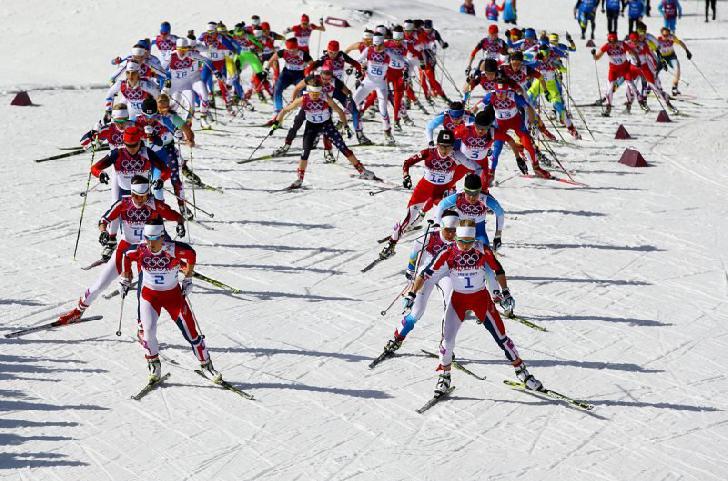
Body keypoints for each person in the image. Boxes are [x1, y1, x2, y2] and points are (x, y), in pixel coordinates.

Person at [404, 220, 542, 396]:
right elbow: (425, 274)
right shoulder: (447, 251)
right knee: (447, 342)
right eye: (462, 242)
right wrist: (412, 294)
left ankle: (523, 373)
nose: (466, 246)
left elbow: (498, 269)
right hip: (458, 301)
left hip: (480, 299)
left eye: (469, 242)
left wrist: (505, 292)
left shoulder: (481, 248)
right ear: (456, 238)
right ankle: (445, 377)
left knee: (501, 337)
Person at [56, 175, 184, 325]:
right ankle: (78, 311)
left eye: (143, 196)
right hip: (126, 248)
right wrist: (104, 232)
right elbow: (103, 221)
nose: (139, 200)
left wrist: (180, 225)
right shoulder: (123, 203)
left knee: (142, 293)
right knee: (101, 284)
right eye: (136, 196)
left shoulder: (155, 204)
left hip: (146, 252)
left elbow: (177, 216)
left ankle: (141, 327)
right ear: (131, 193)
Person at [121, 218, 221, 383]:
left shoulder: (173, 249)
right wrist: (126, 278)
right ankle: (154, 366)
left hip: (173, 297)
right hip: (150, 297)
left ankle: (207, 366)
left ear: (162, 237)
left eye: (154, 240)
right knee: (148, 332)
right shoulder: (140, 250)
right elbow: (126, 255)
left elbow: (191, 254)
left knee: (191, 333)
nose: (150, 244)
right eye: (147, 239)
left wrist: (188, 279)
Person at [378, 129, 482, 259]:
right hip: (424, 188)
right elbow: (407, 162)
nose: (445, 150)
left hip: (442, 192)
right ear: (437, 145)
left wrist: (472, 183)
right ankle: (391, 245)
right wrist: (406, 176)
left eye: (448, 147)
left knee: (449, 221)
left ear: (452, 146)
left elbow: (477, 168)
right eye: (442, 146)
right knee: (407, 217)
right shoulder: (428, 152)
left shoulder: (457, 156)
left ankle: (453, 249)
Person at [272, 78, 376, 189]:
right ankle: (299, 179)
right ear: (309, 91)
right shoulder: (303, 99)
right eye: (313, 93)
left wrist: (345, 126)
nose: (316, 96)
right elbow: (285, 110)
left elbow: (340, 111)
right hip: (311, 127)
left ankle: (362, 171)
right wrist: (277, 122)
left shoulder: (325, 97)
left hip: (327, 125)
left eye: (318, 93)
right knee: (305, 152)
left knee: (343, 147)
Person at [380, 210, 459, 355]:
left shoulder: (459, 240)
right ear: (442, 227)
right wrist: (411, 269)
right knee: (417, 312)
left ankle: (445, 345)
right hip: (425, 275)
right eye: (448, 230)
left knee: (451, 307)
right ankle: (397, 338)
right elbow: (414, 250)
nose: (451, 234)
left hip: (445, 275)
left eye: (455, 231)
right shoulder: (431, 236)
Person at [90, 126, 171, 259]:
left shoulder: (147, 152)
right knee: (116, 212)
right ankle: (111, 241)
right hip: (125, 191)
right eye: (128, 145)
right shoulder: (117, 153)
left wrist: (161, 179)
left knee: (153, 218)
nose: (131, 148)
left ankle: (162, 247)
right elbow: (94, 168)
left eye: (134, 145)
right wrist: (100, 173)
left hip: (144, 193)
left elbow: (165, 170)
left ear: (139, 142)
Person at [352, 33, 395, 145]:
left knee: (383, 109)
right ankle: (343, 124)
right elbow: (358, 60)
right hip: (368, 82)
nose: (376, 48)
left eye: (379, 45)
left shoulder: (388, 52)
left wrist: (405, 71)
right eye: (374, 45)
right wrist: (358, 67)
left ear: (383, 44)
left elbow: (400, 60)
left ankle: (387, 132)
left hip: (381, 84)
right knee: (352, 102)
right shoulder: (369, 50)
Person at [592, 32, 640, 116]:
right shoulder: (606, 46)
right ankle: (608, 108)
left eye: (614, 42)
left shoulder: (622, 44)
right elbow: (597, 58)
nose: (613, 44)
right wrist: (593, 54)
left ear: (617, 40)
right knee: (610, 88)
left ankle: (634, 104)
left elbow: (633, 52)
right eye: (611, 42)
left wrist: (638, 61)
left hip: (625, 69)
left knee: (630, 85)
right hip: (613, 70)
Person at [268, 37, 313, 122]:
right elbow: (272, 59)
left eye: (293, 50)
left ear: (297, 48)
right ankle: (278, 111)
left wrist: (310, 72)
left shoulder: (303, 54)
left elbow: (312, 64)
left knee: (303, 93)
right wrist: (266, 69)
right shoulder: (283, 52)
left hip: (299, 75)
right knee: (277, 89)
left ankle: (302, 111)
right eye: (289, 50)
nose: (291, 52)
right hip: (286, 74)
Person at [655, 27, 692, 96]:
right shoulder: (658, 40)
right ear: (661, 34)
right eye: (664, 35)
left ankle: (674, 87)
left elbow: (680, 43)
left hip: (671, 56)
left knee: (677, 69)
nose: (666, 37)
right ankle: (650, 88)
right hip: (662, 57)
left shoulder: (671, 37)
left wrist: (687, 51)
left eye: (667, 35)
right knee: (655, 72)